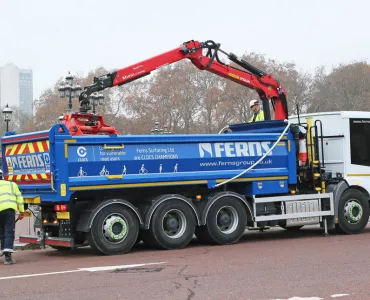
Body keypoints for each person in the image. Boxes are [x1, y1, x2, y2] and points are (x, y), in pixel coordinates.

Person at [0, 169, 24, 264]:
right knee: (9, 232)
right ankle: (7, 257)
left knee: (2, 232)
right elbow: (19, 198)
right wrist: (21, 211)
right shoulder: (12, 185)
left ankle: (3, 250)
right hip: (9, 211)